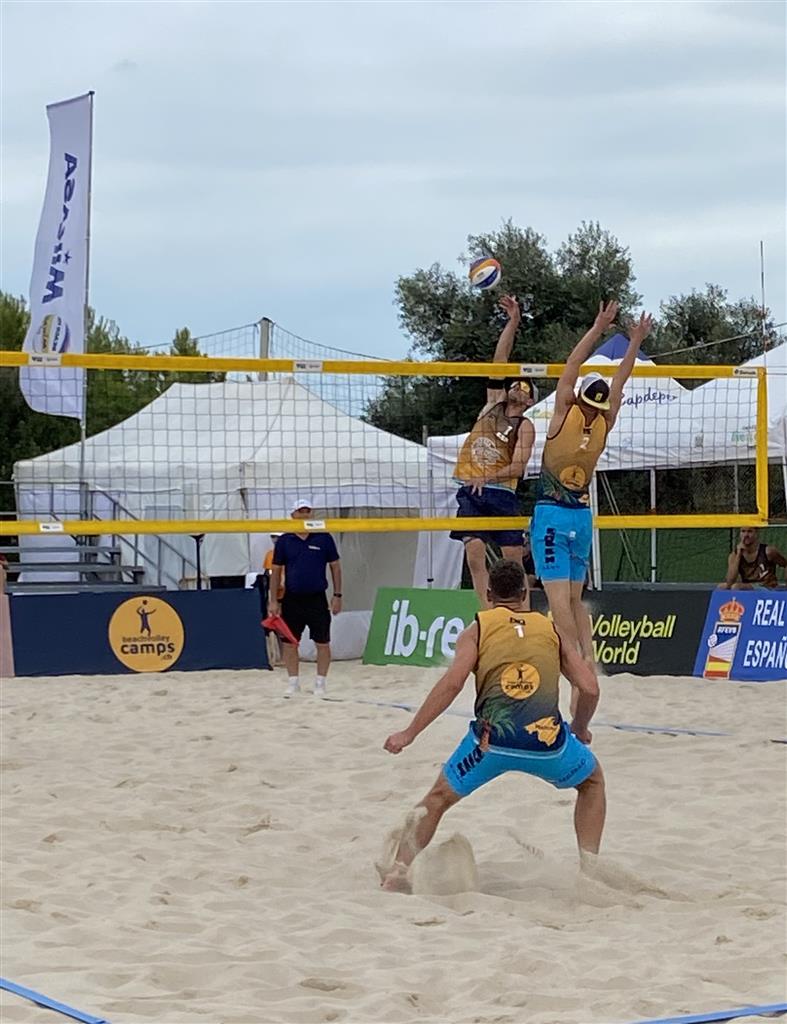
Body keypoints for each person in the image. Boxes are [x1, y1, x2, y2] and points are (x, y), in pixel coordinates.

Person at [380, 559, 603, 893]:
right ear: (525, 594)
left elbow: (452, 684)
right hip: (547, 745)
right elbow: (590, 688)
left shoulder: (477, 630)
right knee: (592, 782)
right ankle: (590, 871)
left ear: (488, 594)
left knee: (437, 799)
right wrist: (580, 728)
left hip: (489, 744)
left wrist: (409, 733)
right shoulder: (551, 630)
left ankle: (398, 872)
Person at [530, 301, 653, 697]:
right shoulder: (605, 420)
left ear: (580, 397)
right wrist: (634, 341)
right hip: (582, 517)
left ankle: (574, 667)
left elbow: (572, 363)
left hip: (552, 515)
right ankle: (589, 659)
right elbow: (622, 378)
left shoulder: (563, 413)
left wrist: (598, 326)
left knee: (558, 601)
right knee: (574, 599)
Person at [450, 295, 537, 606]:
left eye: (524, 387)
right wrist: (513, 321)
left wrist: (486, 477)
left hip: (501, 492)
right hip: (472, 491)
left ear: (530, 400)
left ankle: (523, 614)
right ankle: (488, 613)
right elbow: (500, 359)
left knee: (513, 562)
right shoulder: (492, 405)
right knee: (474, 554)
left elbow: (518, 467)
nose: (518, 387)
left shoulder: (525, 425)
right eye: (516, 383)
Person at [268, 501, 342, 698]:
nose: (305, 514)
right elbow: (276, 572)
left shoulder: (323, 538)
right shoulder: (285, 540)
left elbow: (335, 567)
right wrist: (273, 600)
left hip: (317, 598)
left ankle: (320, 683)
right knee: (290, 642)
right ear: (293, 514)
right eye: (301, 511)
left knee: (323, 642)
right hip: (292, 598)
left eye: (307, 511)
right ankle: (293, 683)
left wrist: (337, 595)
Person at [719, 527, 786, 590]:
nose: (746, 535)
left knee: (736, 587)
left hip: (767, 586)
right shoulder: (734, 555)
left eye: (750, 531)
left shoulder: (768, 551)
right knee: (722, 587)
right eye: (743, 531)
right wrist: (738, 556)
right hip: (749, 586)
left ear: (756, 533)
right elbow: (730, 582)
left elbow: (785, 564)